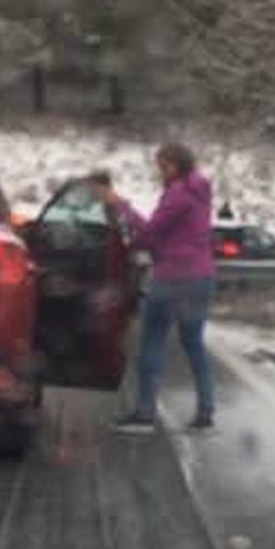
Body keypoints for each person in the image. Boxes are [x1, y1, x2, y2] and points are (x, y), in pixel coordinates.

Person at [95, 143, 216, 432]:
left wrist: (120, 205)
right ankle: (206, 411)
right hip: (201, 277)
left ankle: (145, 413)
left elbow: (150, 234)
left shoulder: (177, 195)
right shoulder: (199, 193)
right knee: (195, 345)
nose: (159, 171)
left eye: (162, 166)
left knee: (151, 342)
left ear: (174, 165)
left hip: (173, 277)